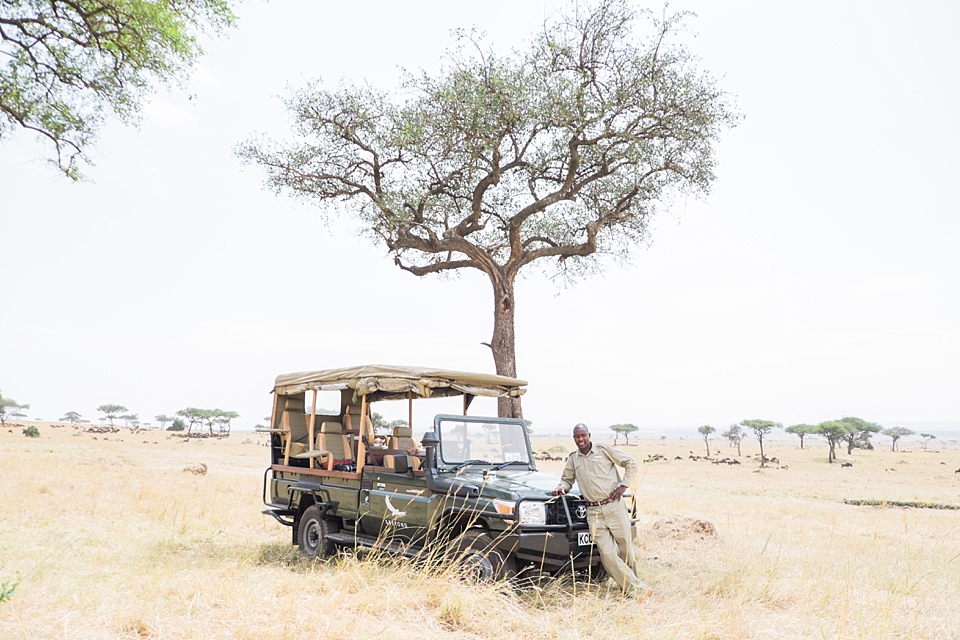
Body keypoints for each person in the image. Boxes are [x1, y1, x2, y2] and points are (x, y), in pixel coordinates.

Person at [553, 423, 652, 599]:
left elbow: (630, 462)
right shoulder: (573, 458)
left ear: (589, 435)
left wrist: (624, 485)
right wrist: (561, 487)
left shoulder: (603, 450)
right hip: (593, 512)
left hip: (614, 506)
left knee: (626, 549)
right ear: (574, 438)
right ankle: (638, 589)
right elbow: (567, 479)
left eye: (583, 435)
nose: (580, 439)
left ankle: (633, 587)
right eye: (577, 436)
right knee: (607, 554)